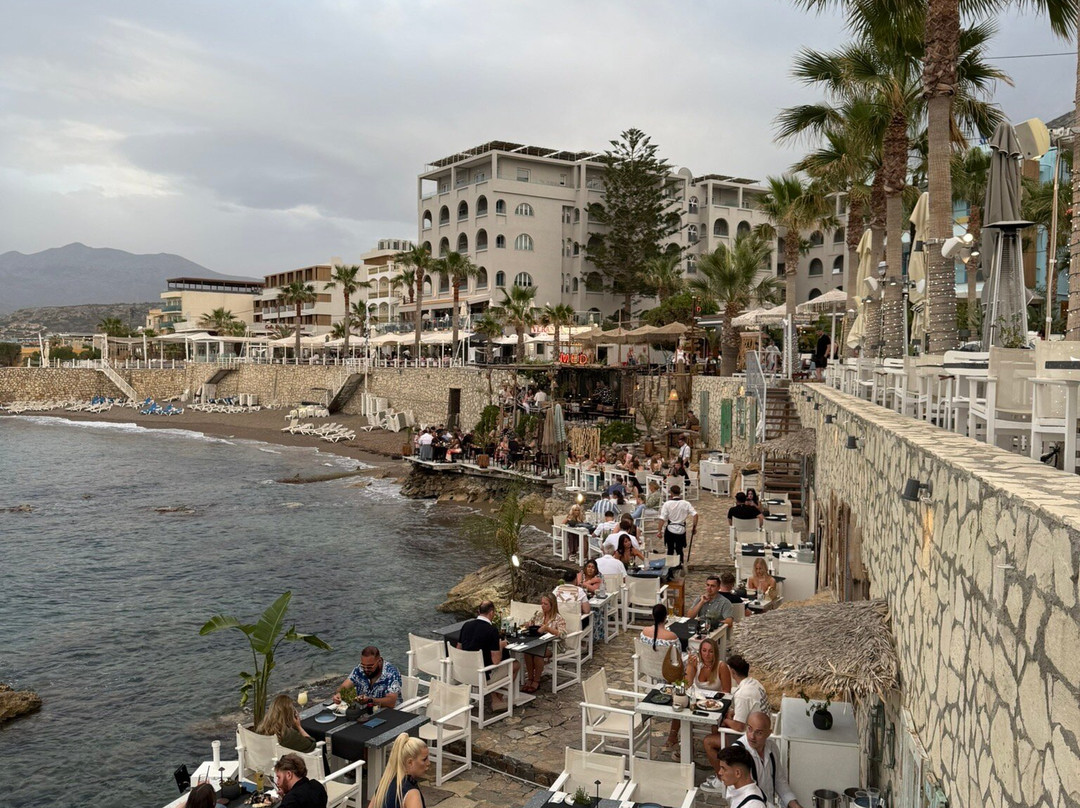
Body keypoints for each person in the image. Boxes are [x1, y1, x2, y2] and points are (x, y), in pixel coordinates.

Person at [664, 636, 731, 755]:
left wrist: (713, 701)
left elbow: (727, 692)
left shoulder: (721, 667)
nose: (707, 654)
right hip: (699, 701)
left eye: (710, 651)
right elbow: (687, 685)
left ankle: (715, 749)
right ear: (700, 651)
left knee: (715, 721)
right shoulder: (697, 664)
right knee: (680, 705)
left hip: (715, 704)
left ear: (715, 653)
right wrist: (690, 667)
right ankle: (675, 739)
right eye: (704, 650)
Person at [731, 712, 804, 808]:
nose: (752, 736)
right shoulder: (737, 753)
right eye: (749, 729)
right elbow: (739, 794)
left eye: (759, 733)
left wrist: (793, 803)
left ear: (768, 734)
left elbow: (779, 780)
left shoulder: (772, 748)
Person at [368, 733, 430, 808]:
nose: (428, 763)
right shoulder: (411, 794)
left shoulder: (385, 784)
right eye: (424, 759)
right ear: (410, 762)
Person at [522, 594, 567, 693]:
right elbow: (531, 623)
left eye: (545, 604)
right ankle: (530, 678)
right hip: (538, 642)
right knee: (527, 652)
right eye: (542, 603)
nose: (542, 606)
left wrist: (548, 628)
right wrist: (528, 625)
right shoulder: (539, 614)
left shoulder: (558, 618)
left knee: (538, 653)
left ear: (552, 605)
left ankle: (536, 681)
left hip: (553, 645)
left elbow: (563, 634)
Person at [334, 646, 402, 709]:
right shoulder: (359, 669)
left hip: (388, 711)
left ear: (379, 661)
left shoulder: (391, 673)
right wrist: (339, 694)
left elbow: (391, 702)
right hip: (365, 710)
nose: (366, 670)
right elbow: (343, 687)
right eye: (363, 666)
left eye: (370, 667)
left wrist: (369, 700)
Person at [717, 655, 769, 735]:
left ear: (733, 672)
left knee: (708, 740)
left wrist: (725, 721)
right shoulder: (755, 683)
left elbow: (739, 727)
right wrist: (733, 712)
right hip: (763, 727)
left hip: (753, 735)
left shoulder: (742, 694)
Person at [701, 745, 767, 803]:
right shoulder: (738, 793)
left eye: (723, 768)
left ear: (738, 773)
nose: (719, 772)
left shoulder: (752, 804)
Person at [657, 484, 698, 566]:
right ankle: (680, 564)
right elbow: (695, 515)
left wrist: (659, 531)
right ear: (680, 492)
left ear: (671, 493)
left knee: (670, 549)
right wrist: (694, 527)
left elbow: (662, 519)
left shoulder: (667, 504)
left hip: (670, 528)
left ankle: (669, 566)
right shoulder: (686, 503)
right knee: (680, 549)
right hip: (681, 529)